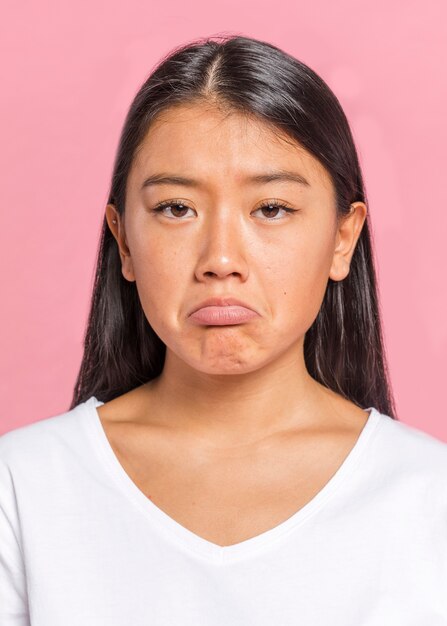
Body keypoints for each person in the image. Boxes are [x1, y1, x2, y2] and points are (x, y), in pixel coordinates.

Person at [1, 34, 446, 626]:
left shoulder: (428, 497)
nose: (220, 259)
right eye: (176, 209)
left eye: (271, 209)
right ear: (123, 240)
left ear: (343, 238)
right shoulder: (22, 486)